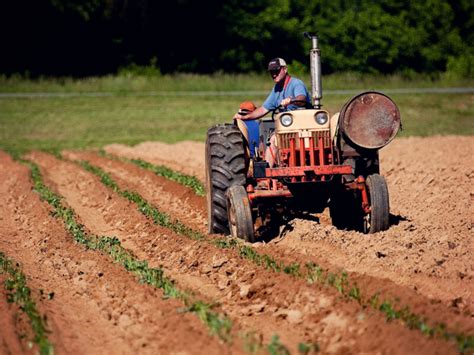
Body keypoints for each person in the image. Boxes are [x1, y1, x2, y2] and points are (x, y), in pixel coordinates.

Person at [233, 57, 311, 166]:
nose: (274, 74)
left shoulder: (296, 84)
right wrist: (244, 117)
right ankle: (267, 174)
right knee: (273, 140)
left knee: (274, 139)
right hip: (287, 128)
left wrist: (291, 100)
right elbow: (263, 109)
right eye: (272, 72)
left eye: (276, 71)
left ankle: (268, 172)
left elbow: (302, 99)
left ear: (285, 69)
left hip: (305, 127)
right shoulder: (277, 89)